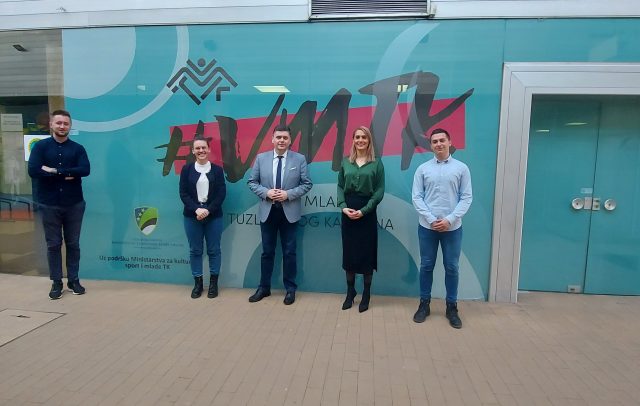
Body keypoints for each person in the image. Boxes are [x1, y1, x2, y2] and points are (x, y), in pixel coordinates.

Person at [411, 128, 472, 328]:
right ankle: (424, 304)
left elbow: (466, 197)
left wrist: (450, 219)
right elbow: (417, 197)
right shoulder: (422, 169)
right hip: (427, 228)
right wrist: (431, 219)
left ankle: (451, 307)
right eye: (435, 141)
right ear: (431, 145)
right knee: (426, 266)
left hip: (452, 229)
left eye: (442, 140)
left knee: (452, 267)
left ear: (449, 142)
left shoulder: (462, 168)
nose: (438, 144)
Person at [27, 110, 90, 299]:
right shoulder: (40, 147)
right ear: (51, 125)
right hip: (49, 204)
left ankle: (73, 280)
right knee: (53, 244)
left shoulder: (78, 149)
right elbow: (34, 171)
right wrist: (69, 173)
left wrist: (54, 171)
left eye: (66, 123)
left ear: (70, 126)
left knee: (73, 244)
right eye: (59, 123)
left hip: (74, 204)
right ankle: (56, 282)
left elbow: (85, 170)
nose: (62, 126)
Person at [247, 125, 312, 305]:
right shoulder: (261, 158)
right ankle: (264, 287)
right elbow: (252, 182)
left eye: (285, 138)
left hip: (289, 213)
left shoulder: (299, 159)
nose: (281, 140)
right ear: (272, 139)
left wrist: (288, 194)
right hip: (268, 212)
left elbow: (307, 184)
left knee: (289, 252)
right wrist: (266, 192)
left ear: (290, 140)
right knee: (267, 252)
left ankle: (290, 289)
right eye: (278, 137)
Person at [337, 126, 385, 313]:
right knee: (349, 253)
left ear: (369, 140)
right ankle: (350, 292)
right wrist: (343, 206)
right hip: (348, 212)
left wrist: (365, 210)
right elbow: (340, 186)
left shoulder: (377, 163)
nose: (360, 140)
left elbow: (379, 190)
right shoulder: (345, 162)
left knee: (366, 254)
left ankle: (366, 294)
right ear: (353, 140)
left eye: (364, 137)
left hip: (367, 213)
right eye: (357, 137)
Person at [179, 136, 226, 299]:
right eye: (197, 148)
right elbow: (183, 193)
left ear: (209, 149)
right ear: (193, 151)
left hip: (214, 216)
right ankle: (198, 284)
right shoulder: (186, 170)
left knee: (214, 250)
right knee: (195, 250)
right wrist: (196, 209)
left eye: (203, 147)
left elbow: (221, 194)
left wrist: (208, 210)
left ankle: (213, 284)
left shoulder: (217, 170)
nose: (201, 151)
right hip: (192, 216)